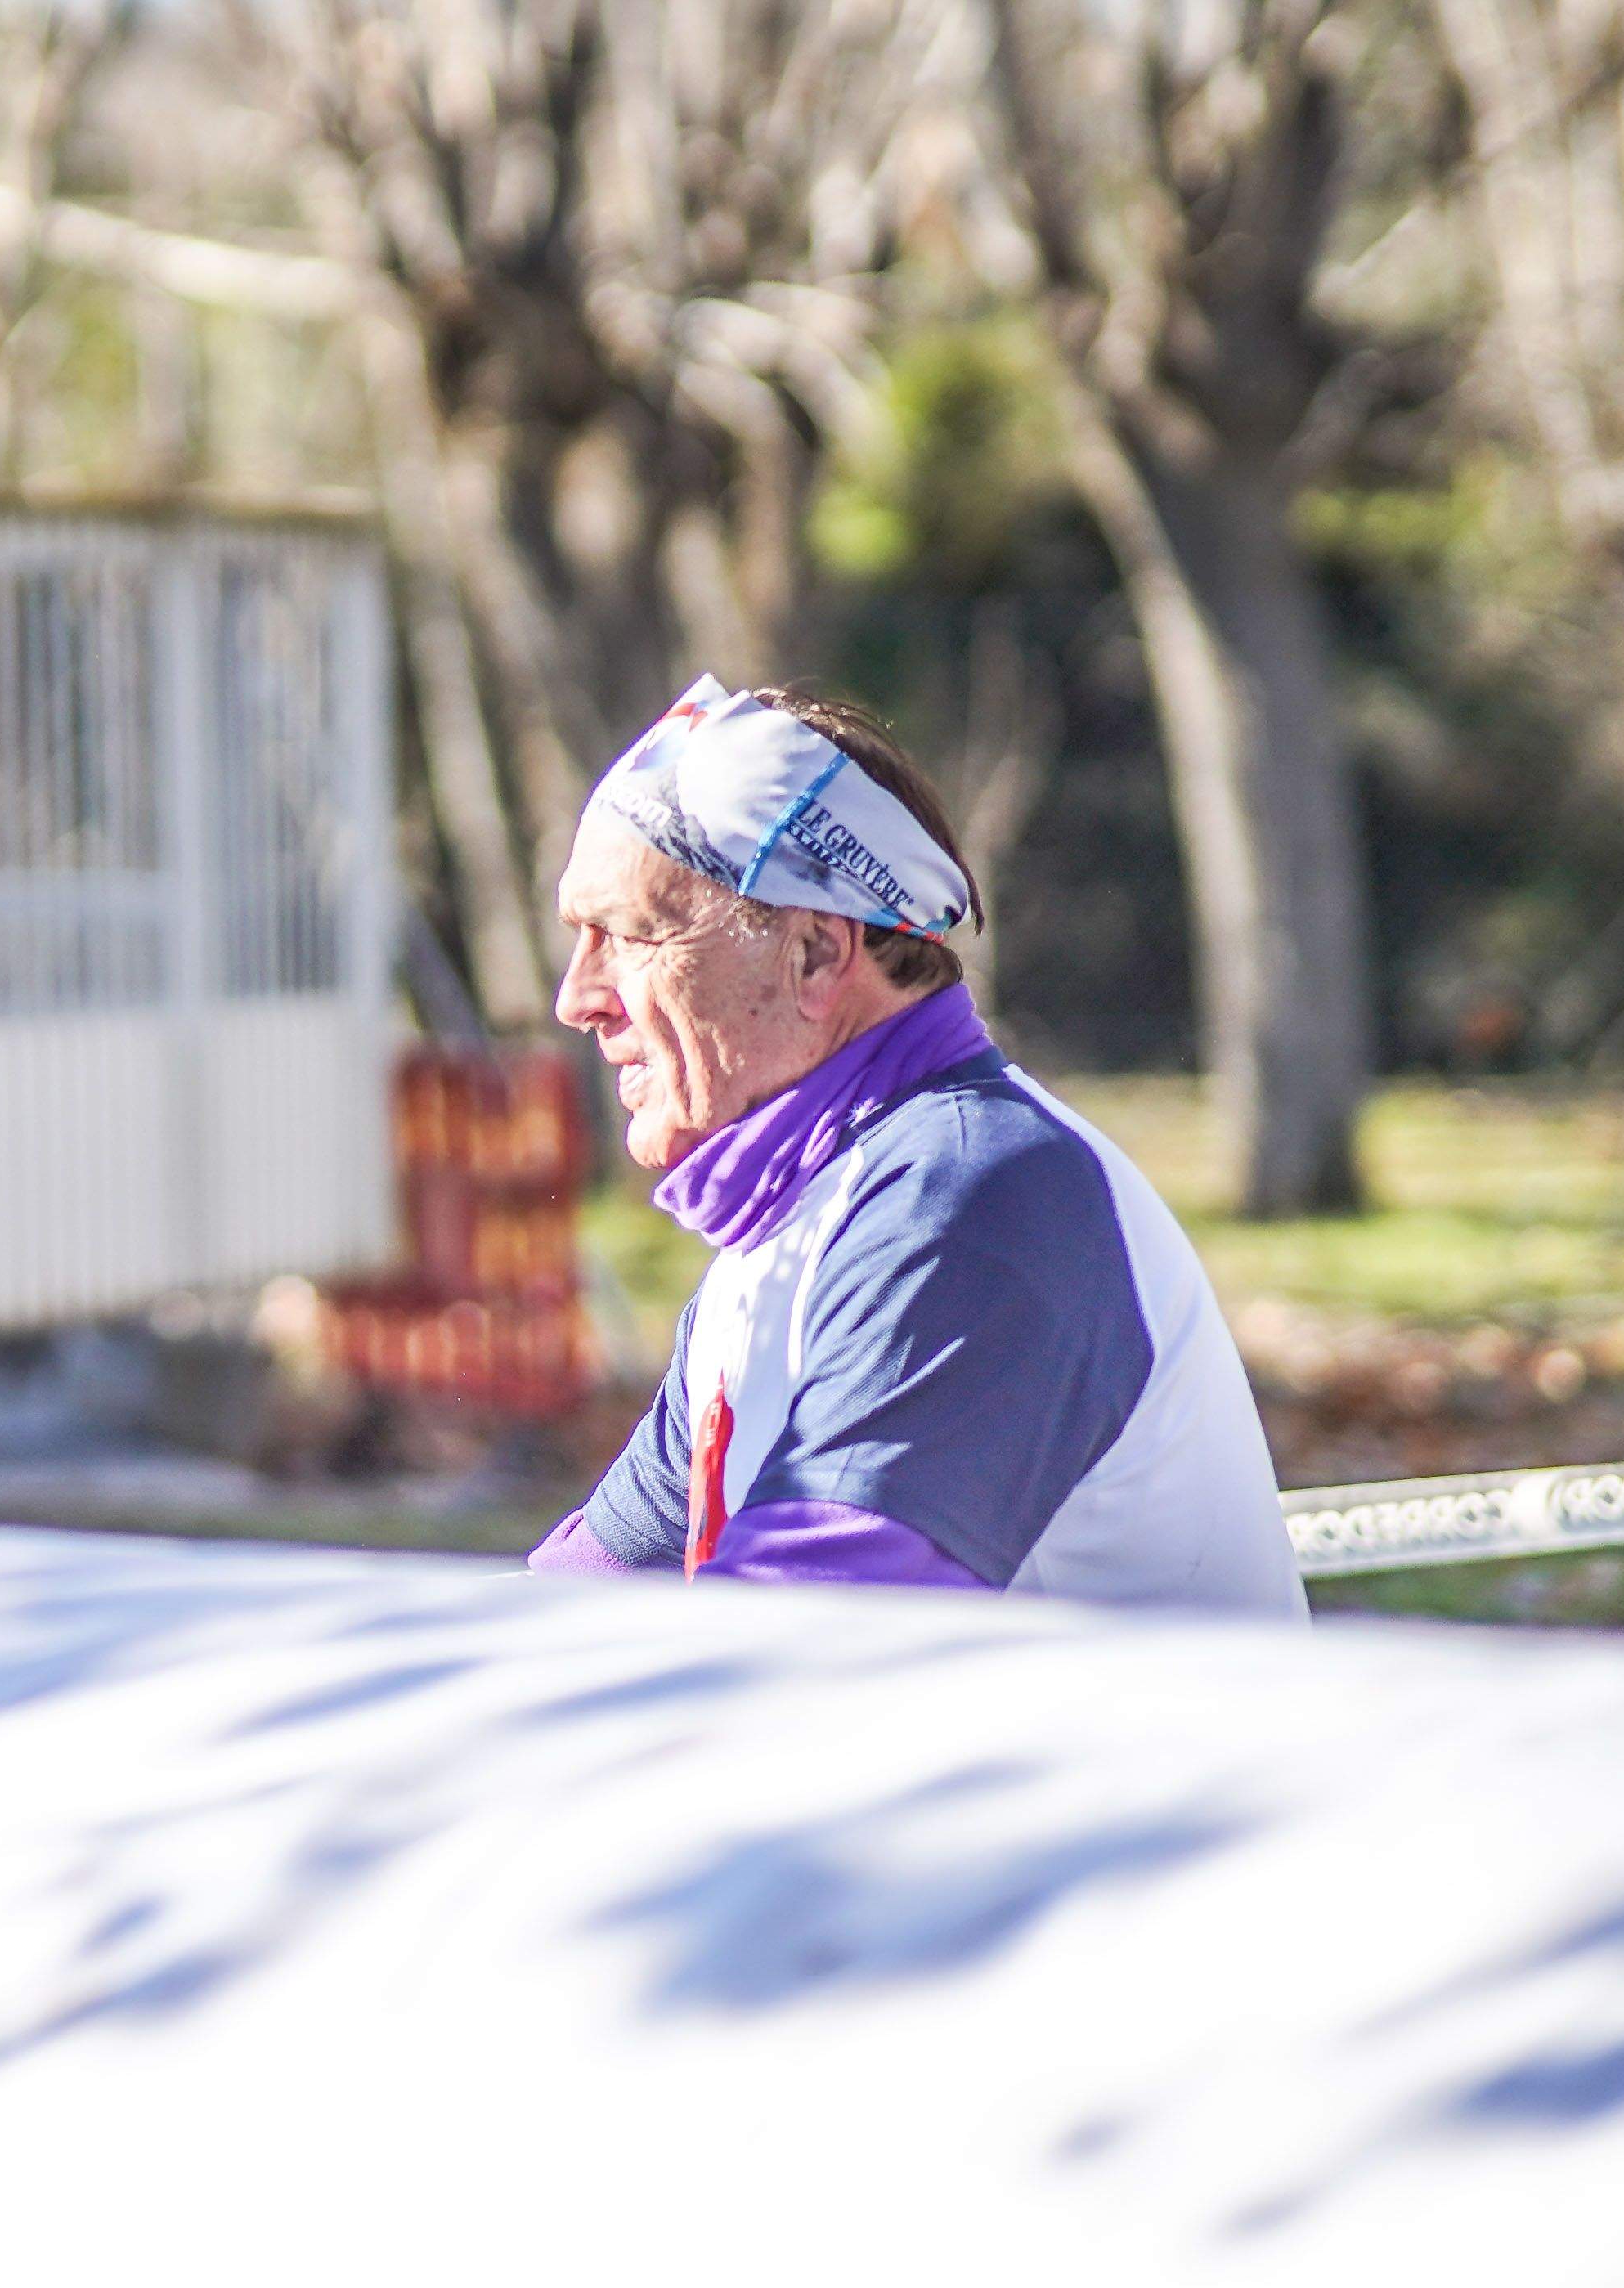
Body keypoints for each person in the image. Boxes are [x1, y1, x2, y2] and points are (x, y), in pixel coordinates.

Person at [531, 678, 1301, 1613]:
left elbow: (793, 1655)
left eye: (628, 935)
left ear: (815, 953)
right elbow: (573, 1612)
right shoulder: (801, 1222)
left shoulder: (965, 1200)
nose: (578, 998)